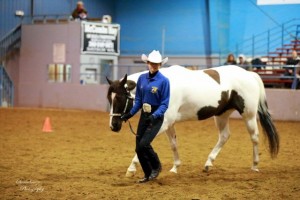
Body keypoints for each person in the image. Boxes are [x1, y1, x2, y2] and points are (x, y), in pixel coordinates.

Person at [121, 50, 170, 183]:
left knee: (144, 144)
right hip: (144, 115)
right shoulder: (142, 79)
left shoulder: (164, 81)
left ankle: (156, 166)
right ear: (147, 63)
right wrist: (129, 114)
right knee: (138, 147)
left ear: (160, 65)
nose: (154, 66)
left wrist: (155, 116)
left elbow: (165, 104)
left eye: (157, 64)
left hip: (156, 117)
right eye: (152, 63)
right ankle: (148, 174)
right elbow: (138, 101)